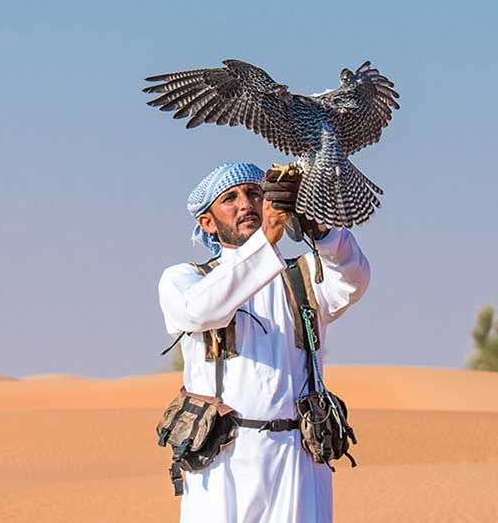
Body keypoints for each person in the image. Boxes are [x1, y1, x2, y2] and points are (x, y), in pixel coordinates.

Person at [158, 162, 370, 523]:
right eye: (231, 198)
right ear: (208, 222)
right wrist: (266, 241)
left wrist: (319, 228)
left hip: (297, 459)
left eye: (256, 193)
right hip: (221, 461)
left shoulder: (304, 277)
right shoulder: (186, 279)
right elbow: (200, 311)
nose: (247, 204)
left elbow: (354, 278)